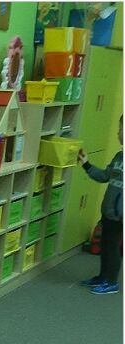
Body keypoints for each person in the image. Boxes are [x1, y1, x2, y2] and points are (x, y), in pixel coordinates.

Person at [78, 114, 123, 295]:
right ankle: (103, 276)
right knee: (105, 244)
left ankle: (112, 282)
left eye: (121, 129)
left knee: (112, 247)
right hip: (109, 211)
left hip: (119, 215)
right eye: (119, 128)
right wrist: (86, 165)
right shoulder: (119, 156)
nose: (118, 133)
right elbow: (105, 176)